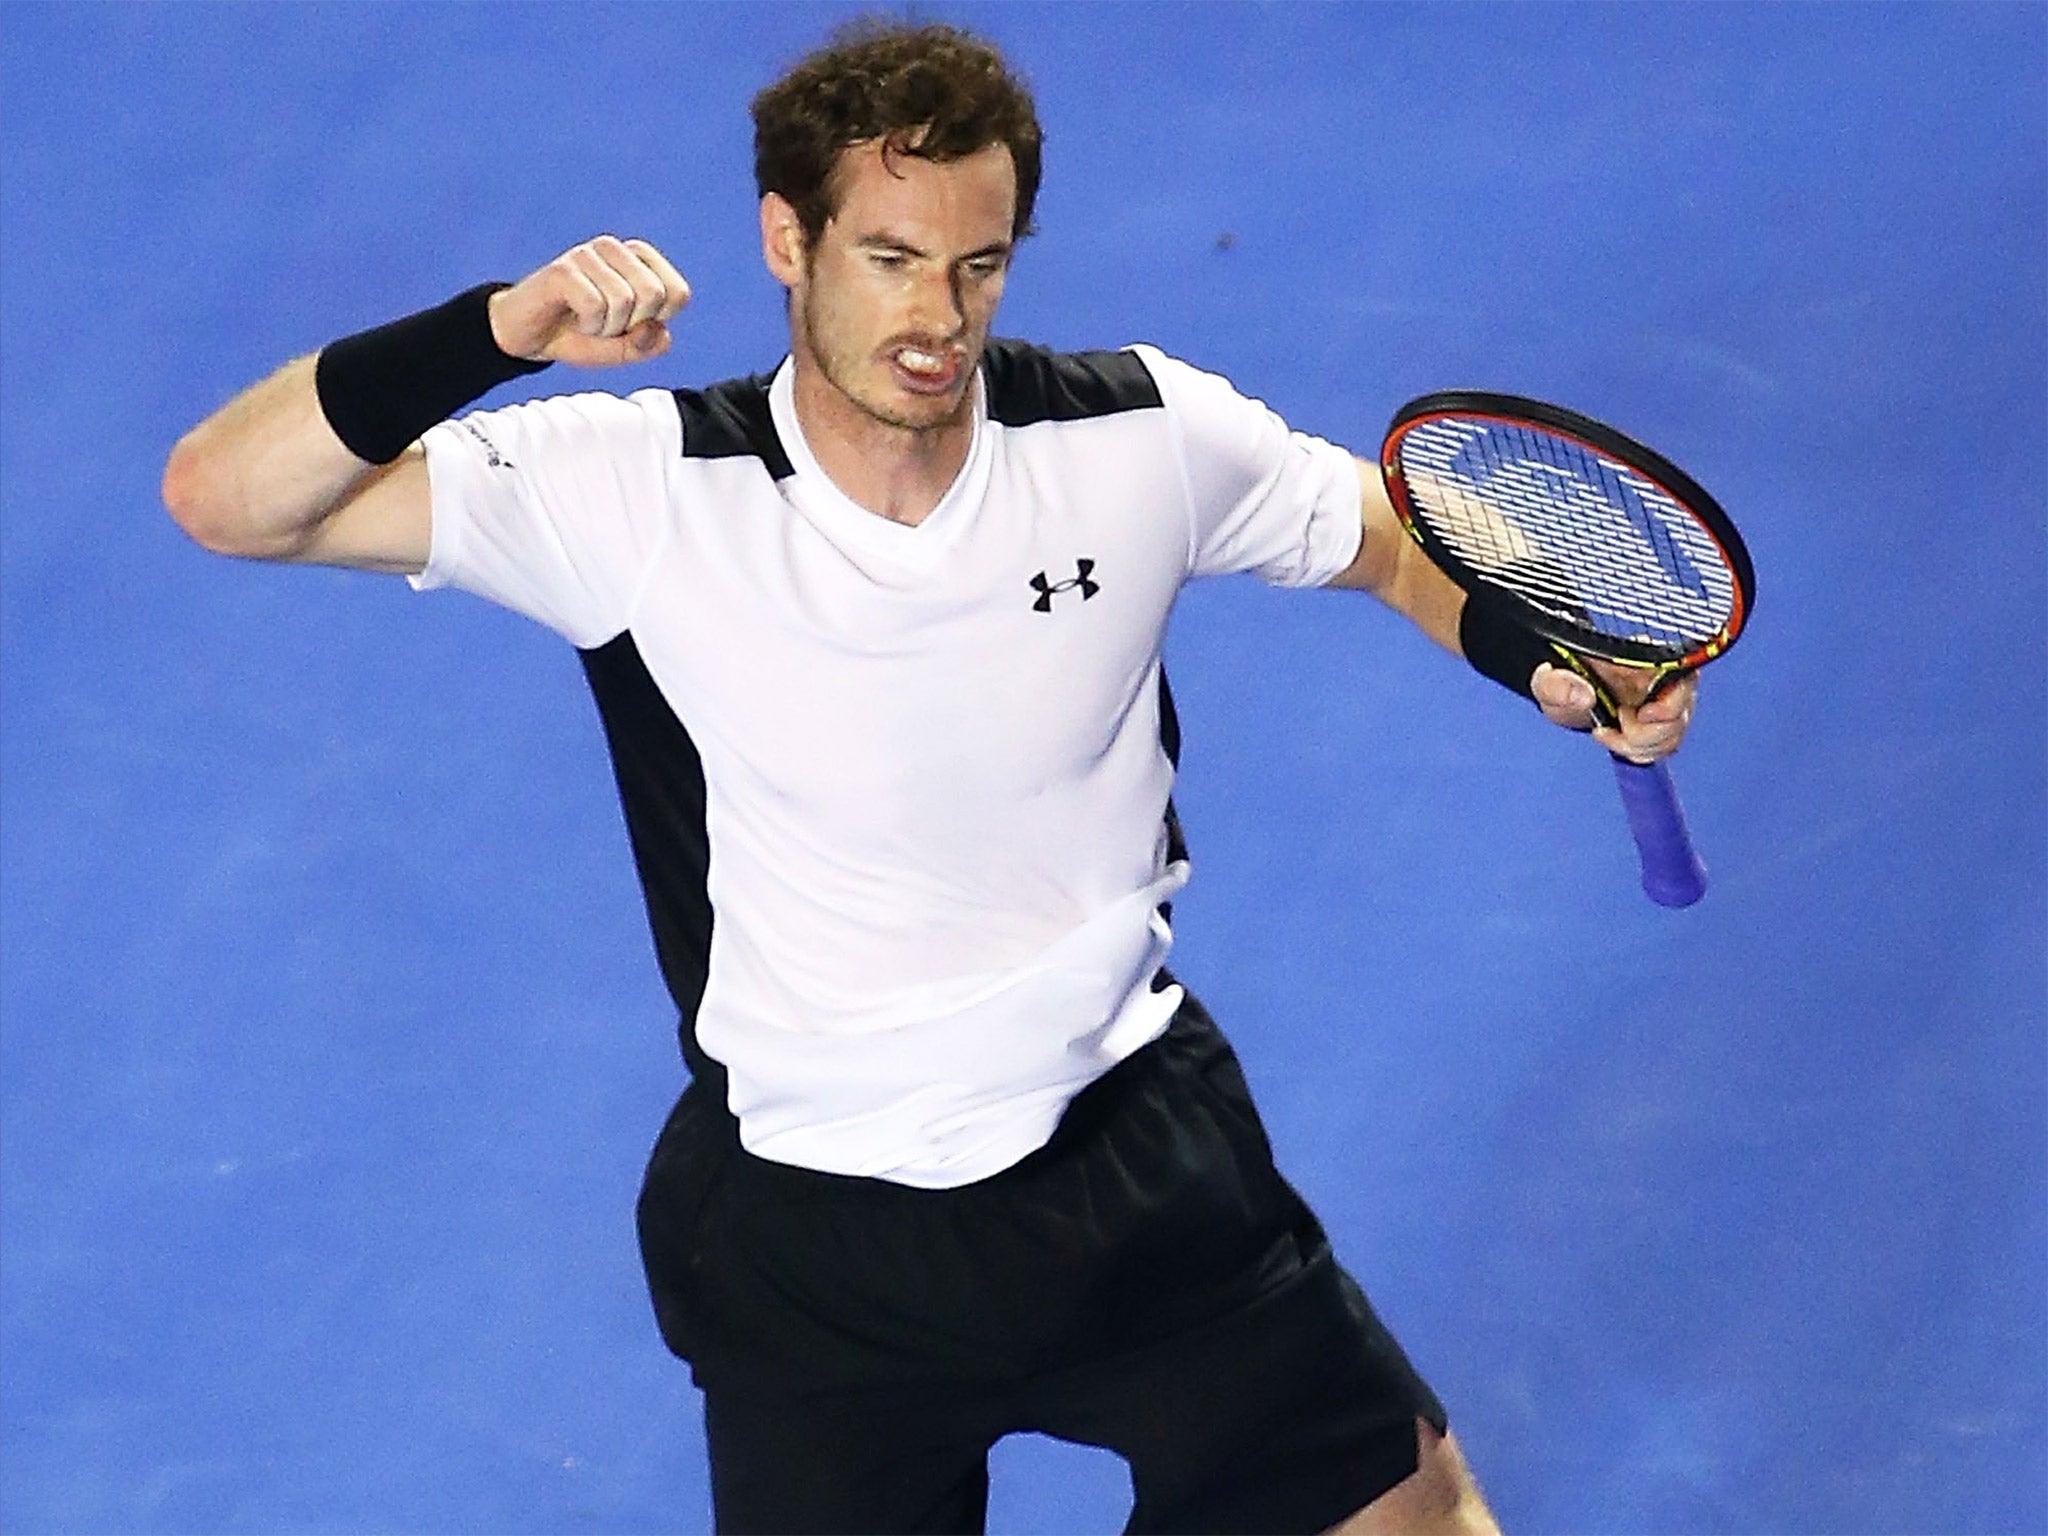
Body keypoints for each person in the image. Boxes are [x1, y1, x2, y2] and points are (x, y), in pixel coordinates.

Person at [162, 20, 1692, 1536]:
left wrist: (1535, 656)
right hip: (816, 1253)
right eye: (890, 257)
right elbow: (227, 498)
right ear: (788, 240)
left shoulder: (1134, 435)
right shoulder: (632, 491)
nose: (937, 319)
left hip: (1131, 1166)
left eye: (979, 264)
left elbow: (1381, 535)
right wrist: (495, 332)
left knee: (1416, 1520)